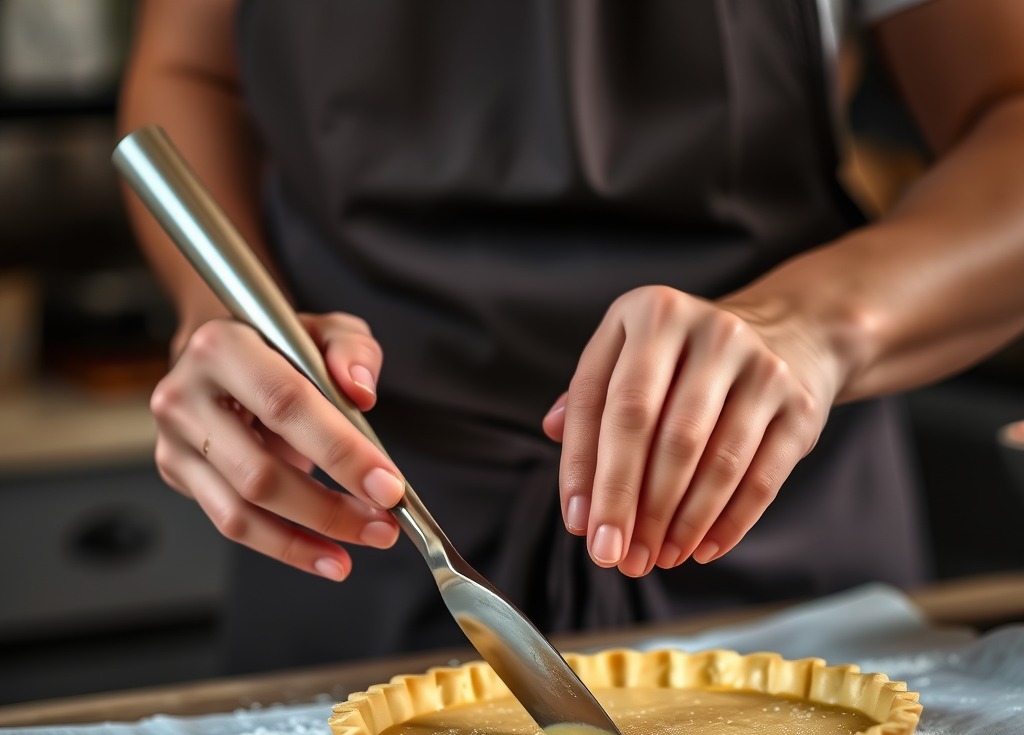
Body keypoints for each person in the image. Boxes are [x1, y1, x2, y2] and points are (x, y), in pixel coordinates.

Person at [119, 0, 1024, 674]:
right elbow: (190, 70)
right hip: (359, 529)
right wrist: (221, 309)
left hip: (765, 535)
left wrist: (810, 325)